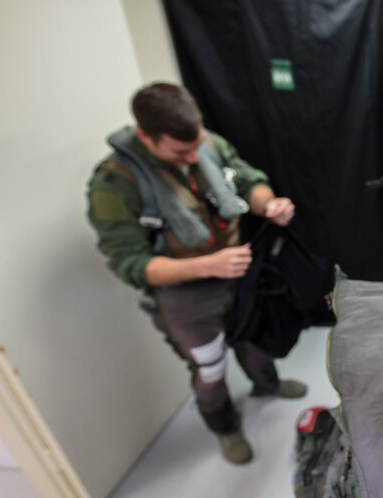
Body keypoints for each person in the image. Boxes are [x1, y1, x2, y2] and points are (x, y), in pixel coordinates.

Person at [86, 82, 307, 465]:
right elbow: (130, 263)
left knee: (255, 337)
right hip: (185, 294)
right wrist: (206, 265)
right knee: (209, 367)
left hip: (237, 274)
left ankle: (266, 385)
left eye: (196, 144)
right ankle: (225, 427)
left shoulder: (207, 144)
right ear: (146, 137)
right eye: (179, 151)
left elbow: (244, 177)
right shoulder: (116, 183)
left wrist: (268, 204)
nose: (192, 157)